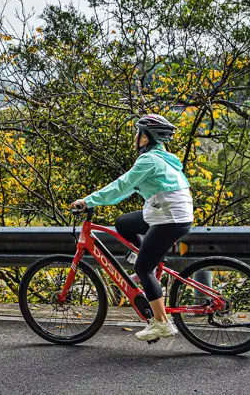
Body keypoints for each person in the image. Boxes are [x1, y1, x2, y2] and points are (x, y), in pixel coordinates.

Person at [70, 114, 193, 341]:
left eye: (138, 133)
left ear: (145, 138)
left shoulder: (149, 161)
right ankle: (142, 257)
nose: (135, 137)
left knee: (144, 270)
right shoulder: (164, 158)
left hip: (168, 218)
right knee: (123, 223)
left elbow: (121, 186)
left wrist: (88, 201)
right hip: (169, 213)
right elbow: (127, 189)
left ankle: (161, 323)